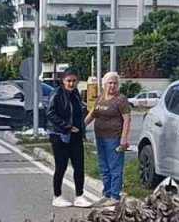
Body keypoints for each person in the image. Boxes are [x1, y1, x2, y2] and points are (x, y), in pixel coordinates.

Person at [45, 69, 94, 208]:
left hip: (76, 135)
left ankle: (79, 195)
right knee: (61, 166)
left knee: (79, 166)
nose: (71, 83)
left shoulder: (76, 94)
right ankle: (57, 196)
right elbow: (50, 113)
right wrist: (66, 126)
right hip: (60, 135)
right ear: (63, 81)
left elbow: (79, 111)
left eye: (74, 81)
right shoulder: (57, 93)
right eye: (69, 81)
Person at [85, 71, 132, 207]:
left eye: (115, 83)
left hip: (114, 138)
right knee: (103, 167)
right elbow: (92, 114)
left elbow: (127, 120)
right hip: (100, 137)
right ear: (104, 84)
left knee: (115, 167)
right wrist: (80, 127)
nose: (112, 86)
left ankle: (115, 196)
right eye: (109, 83)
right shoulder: (100, 98)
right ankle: (107, 193)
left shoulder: (121, 100)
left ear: (118, 85)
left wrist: (123, 140)